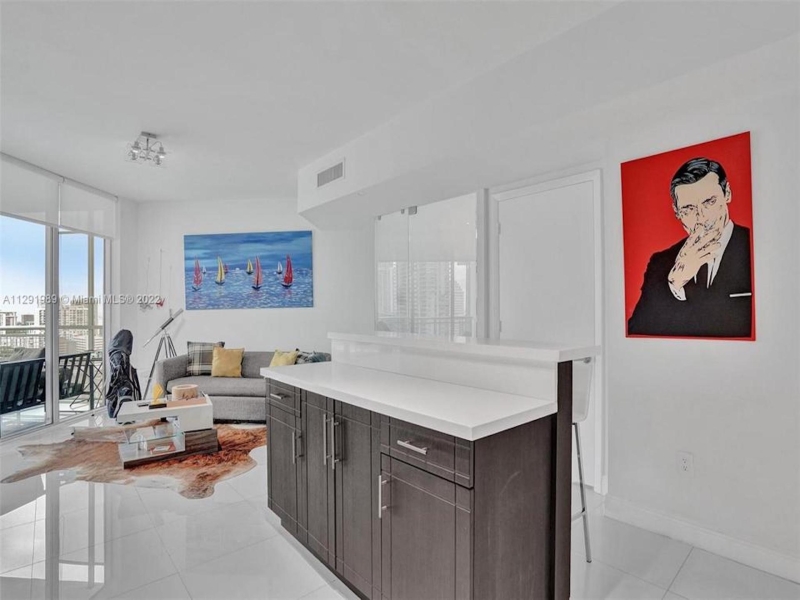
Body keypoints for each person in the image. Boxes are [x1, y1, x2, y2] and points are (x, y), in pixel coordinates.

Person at [627, 157, 753, 338]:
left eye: (709, 202)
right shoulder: (660, 263)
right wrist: (674, 285)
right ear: (676, 212)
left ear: (727, 193)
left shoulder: (755, 246)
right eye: (688, 209)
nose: (701, 218)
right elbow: (637, 331)